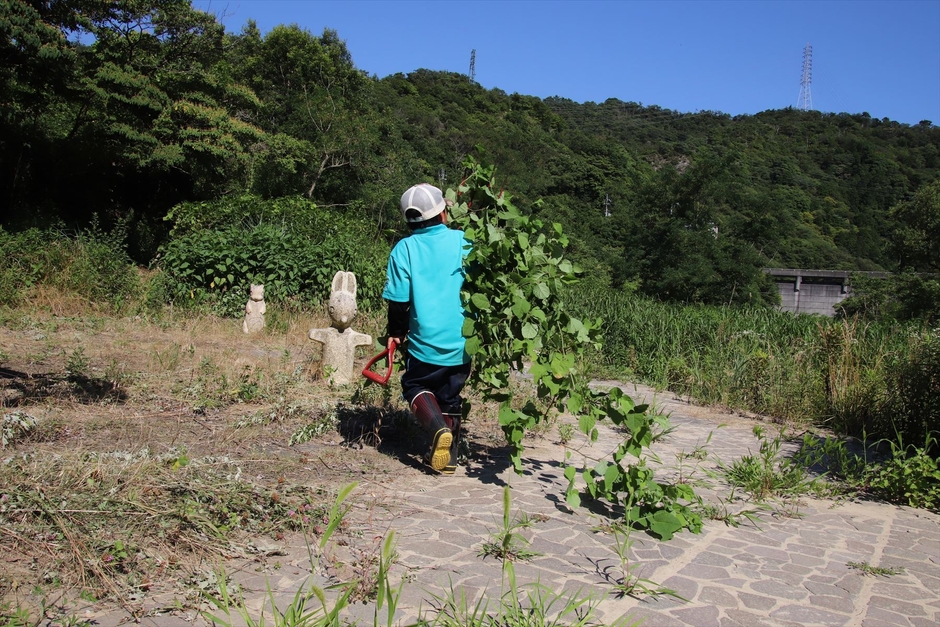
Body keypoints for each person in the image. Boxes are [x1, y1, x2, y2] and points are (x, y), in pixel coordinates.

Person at [383, 183, 472, 474]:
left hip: (424, 345)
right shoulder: (464, 241)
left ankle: (436, 430)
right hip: (462, 344)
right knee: (450, 397)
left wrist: (395, 331)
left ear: (408, 219)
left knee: (415, 385)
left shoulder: (404, 249)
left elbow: (398, 302)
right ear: (444, 213)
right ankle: (451, 460)